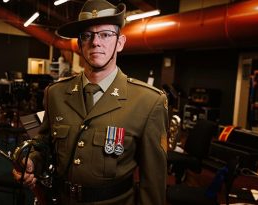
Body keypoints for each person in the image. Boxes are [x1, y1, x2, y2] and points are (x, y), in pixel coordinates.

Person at [12, 0, 169, 204]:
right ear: (79, 45)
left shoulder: (148, 102)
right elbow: (45, 143)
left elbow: (153, 184)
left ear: (120, 43)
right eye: (87, 35)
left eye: (105, 34)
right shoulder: (56, 93)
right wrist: (32, 160)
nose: (95, 42)